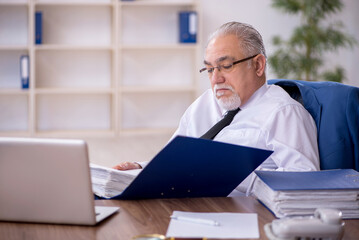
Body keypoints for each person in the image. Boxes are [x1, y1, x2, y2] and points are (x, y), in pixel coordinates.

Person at [113, 21, 320, 195]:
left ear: (258, 65)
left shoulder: (283, 113)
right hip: (184, 203)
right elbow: (174, 158)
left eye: (226, 66)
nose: (216, 79)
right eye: (210, 69)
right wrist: (142, 167)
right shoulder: (205, 104)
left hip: (239, 216)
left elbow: (305, 182)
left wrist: (234, 177)